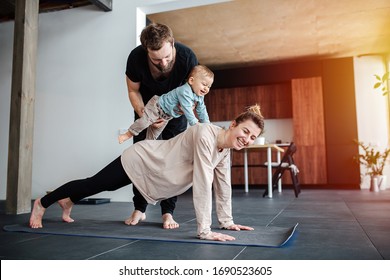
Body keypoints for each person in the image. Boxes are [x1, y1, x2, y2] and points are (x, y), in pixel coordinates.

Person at [29, 105, 265, 241]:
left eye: (252, 137)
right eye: (245, 131)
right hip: (144, 158)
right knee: (97, 184)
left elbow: (223, 187)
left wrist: (227, 222)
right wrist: (204, 231)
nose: (247, 139)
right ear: (233, 124)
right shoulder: (206, 134)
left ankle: (68, 200)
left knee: (103, 186)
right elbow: (203, 183)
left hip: (157, 172)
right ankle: (43, 202)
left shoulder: (224, 151)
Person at [125, 22, 198, 229]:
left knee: (173, 162)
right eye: (156, 59)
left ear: (172, 43)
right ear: (146, 50)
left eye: (167, 57)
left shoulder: (187, 57)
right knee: (140, 158)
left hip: (176, 115)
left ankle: (168, 212)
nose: (163, 63)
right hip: (147, 112)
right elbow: (133, 91)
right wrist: (144, 114)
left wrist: (175, 113)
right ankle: (139, 208)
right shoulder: (136, 58)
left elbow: (195, 95)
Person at [118, 65, 213, 144]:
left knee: (154, 135)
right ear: (191, 81)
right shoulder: (184, 91)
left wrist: (207, 124)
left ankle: (145, 146)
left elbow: (202, 110)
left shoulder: (199, 96)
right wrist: (194, 123)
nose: (206, 89)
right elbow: (187, 108)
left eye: (209, 86)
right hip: (157, 106)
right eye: (204, 84)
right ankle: (128, 134)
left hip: (166, 116)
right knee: (144, 122)